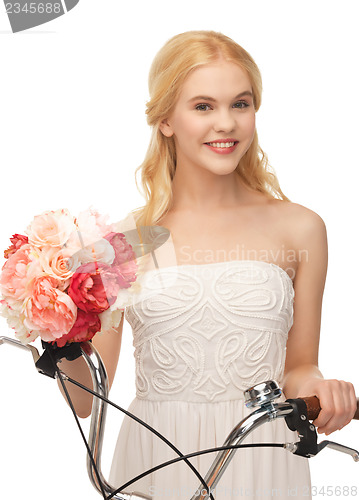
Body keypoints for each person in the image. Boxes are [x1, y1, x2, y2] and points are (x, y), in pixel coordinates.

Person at [58, 30, 357, 499]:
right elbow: (84, 399)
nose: (226, 123)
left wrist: (324, 386)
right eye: (203, 107)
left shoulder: (299, 228)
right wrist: (58, 323)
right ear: (166, 121)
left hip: (262, 457)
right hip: (157, 460)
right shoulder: (125, 241)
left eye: (240, 104)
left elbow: (299, 368)